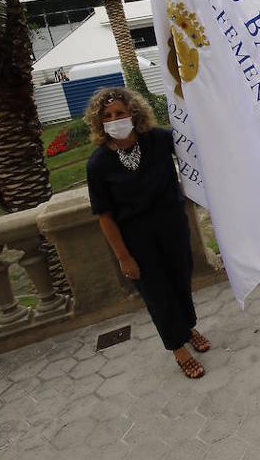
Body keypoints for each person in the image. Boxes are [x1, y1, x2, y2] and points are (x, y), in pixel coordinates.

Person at [84, 87, 211, 379]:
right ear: (99, 122)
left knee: (180, 282)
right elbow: (104, 216)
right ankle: (178, 348)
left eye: (119, 113)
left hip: (173, 228)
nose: (114, 119)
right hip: (136, 240)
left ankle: (187, 327)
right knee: (157, 295)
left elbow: (195, 146)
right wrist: (123, 257)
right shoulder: (98, 163)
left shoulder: (157, 140)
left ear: (133, 113)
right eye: (107, 116)